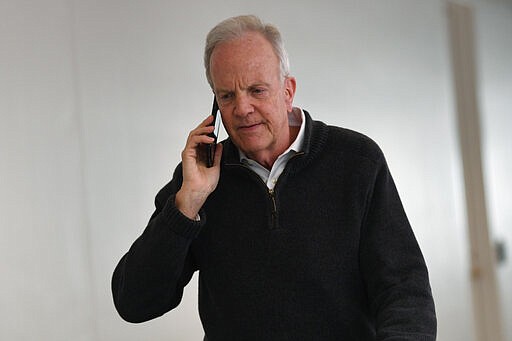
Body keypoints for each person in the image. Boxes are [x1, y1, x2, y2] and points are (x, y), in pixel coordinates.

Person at [112, 15, 437, 340]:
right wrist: (187, 205)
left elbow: (404, 289)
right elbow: (135, 303)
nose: (242, 108)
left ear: (287, 91)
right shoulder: (197, 179)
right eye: (226, 95)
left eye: (257, 90)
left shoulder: (357, 161)